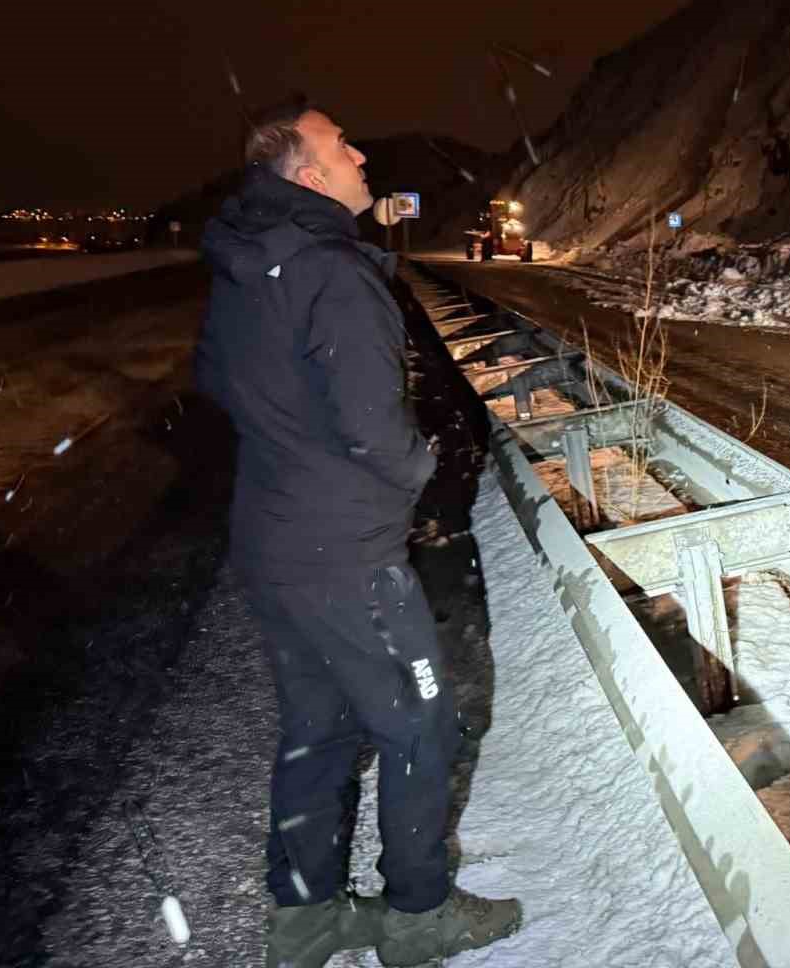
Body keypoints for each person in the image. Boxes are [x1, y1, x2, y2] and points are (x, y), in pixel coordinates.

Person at [196, 99, 521, 967]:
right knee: (422, 728)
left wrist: (298, 448)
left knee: (320, 730)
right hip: (346, 555)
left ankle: (304, 923)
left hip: (273, 541)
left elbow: (221, 383)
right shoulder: (333, 271)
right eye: (342, 144)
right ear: (308, 175)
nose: (360, 151)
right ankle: (417, 917)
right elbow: (375, 427)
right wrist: (415, 473)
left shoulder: (245, 265)